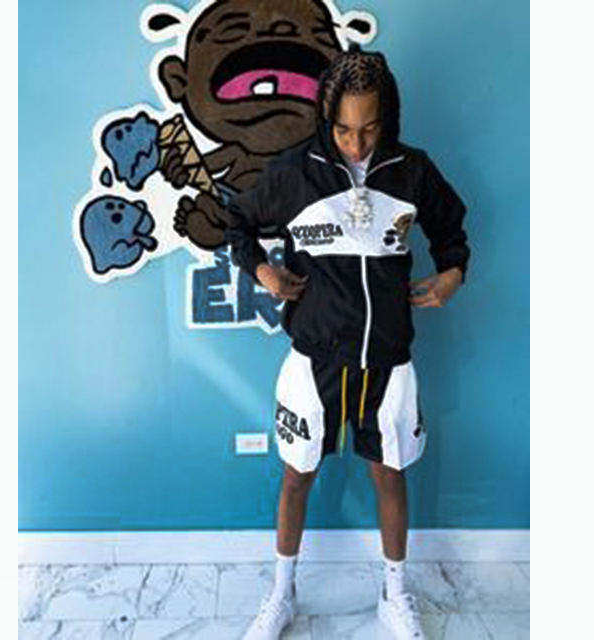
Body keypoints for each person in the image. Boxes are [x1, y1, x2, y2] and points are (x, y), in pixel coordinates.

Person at [224, 44, 470, 640]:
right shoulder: (295, 172)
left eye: (369, 129)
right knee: (296, 477)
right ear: (325, 119)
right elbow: (237, 225)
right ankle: (281, 594)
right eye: (343, 130)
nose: (356, 144)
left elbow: (452, 232)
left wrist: (451, 276)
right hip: (314, 358)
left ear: (389, 118)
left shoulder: (413, 170)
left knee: (390, 474)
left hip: (388, 357)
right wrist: (263, 271)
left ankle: (394, 593)